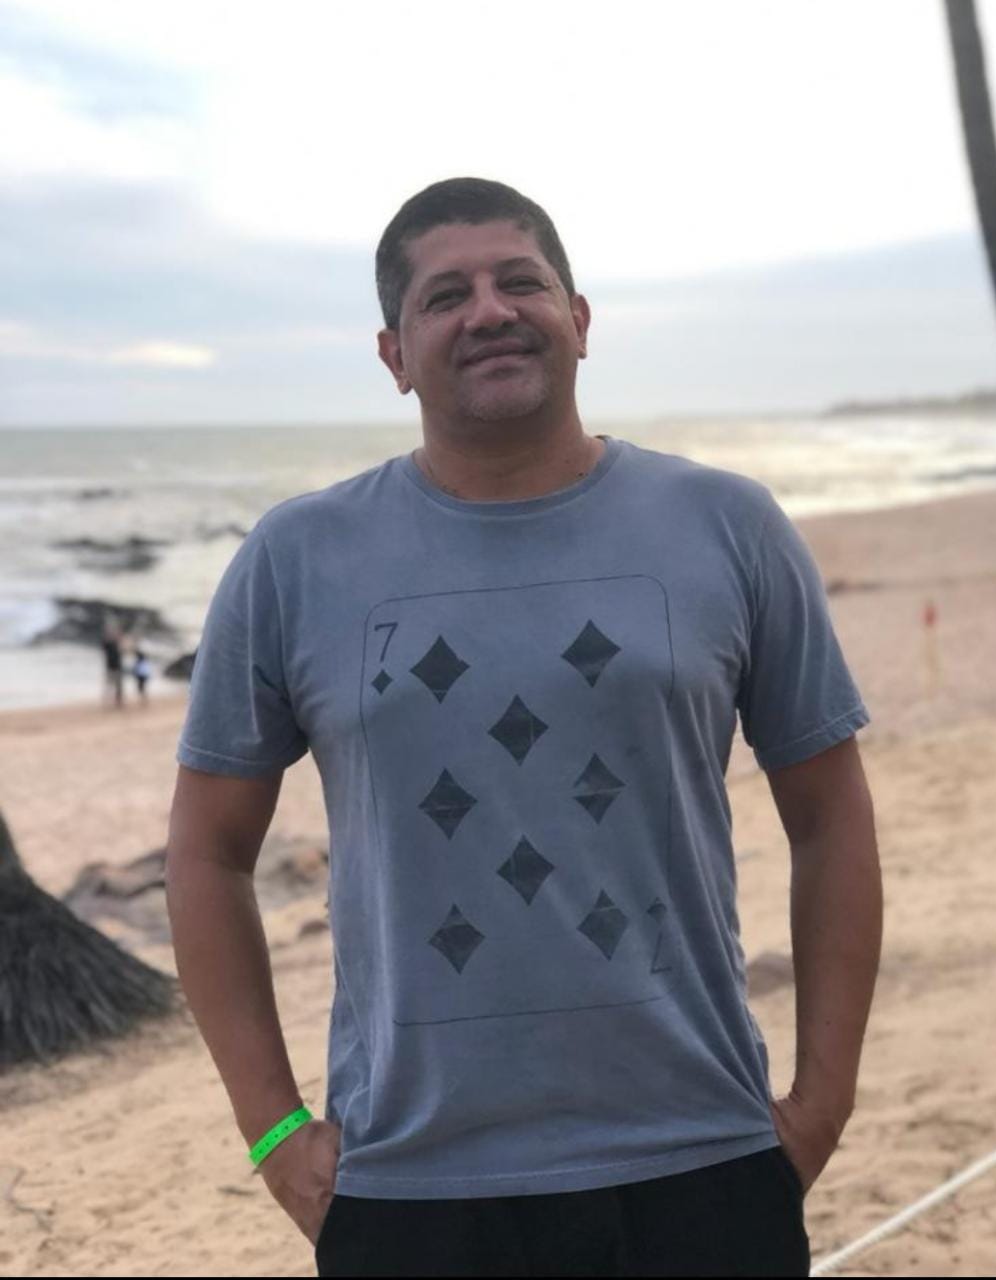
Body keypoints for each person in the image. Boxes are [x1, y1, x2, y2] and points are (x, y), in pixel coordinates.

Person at [166, 178, 882, 1277]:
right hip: (409, 1185)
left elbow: (831, 816)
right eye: (444, 295)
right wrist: (274, 1134)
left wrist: (823, 1101)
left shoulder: (726, 525)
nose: (490, 311)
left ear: (580, 320)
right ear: (394, 355)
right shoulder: (296, 558)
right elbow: (207, 852)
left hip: (703, 1159)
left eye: (521, 281)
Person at [101, 619, 125, 709]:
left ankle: (118, 702)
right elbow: (104, 642)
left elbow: (123, 645)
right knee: (109, 686)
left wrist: (119, 635)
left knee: (118, 687)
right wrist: (108, 633)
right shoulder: (108, 644)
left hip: (117, 668)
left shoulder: (118, 644)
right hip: (110, 668)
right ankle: (107, 702)